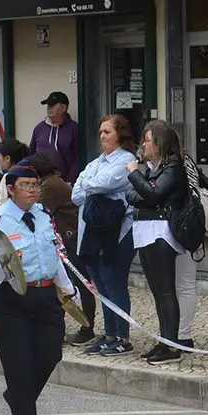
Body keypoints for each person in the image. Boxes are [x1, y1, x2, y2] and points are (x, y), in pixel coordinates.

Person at [0, 159, 80, 415]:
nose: (33, 190)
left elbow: (55, 254)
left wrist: (68, 287)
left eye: (35, 185)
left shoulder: (44, 214)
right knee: (19, 361)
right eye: (26, 186)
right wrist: (4, 265)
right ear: (11, 189)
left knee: (51, 352)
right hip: (11, 296)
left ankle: (17, 397)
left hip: (44, 293)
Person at [72, 114, 138, 357]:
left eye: (107, 132)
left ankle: (123, 336)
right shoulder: (97, 161)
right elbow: (76, 193)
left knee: (114, 282)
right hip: (94, 232)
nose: (102, 136)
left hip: (117, 232)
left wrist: (88, 185)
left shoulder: (126, 160)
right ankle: (109, 333)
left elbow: (103, 183)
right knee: (100, 285)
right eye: (100, 131)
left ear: (120, 134)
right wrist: (90, 185)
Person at [126, 121, 188, 365]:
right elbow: (133, 195)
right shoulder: (153, 169)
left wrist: (134, 173)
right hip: (145, 229)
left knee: (165, 290)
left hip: (160, 232)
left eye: (148, 140)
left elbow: (153, 193)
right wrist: (143, 187)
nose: (143, 144)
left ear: (160, 143)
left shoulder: (172, 168)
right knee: (156, 291)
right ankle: (164, 341)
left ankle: (172, 345)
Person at [35, 153, 93, 339]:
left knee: (78, 284)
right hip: (67, 236)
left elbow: (39, 211)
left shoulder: (49, 185)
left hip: (69, 238)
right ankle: (59, 328)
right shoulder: (54, 181)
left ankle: (87, 327)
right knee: (64, 285)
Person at [30, 91, 80, 184]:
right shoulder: (39, 128)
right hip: (39, 182)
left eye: (52, 105)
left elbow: (79, 157)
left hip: (65, 183)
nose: (49, 108)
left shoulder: (74, 129)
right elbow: (31, 153)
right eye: (48, 105)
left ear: (64, 108)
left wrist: (70, 181)